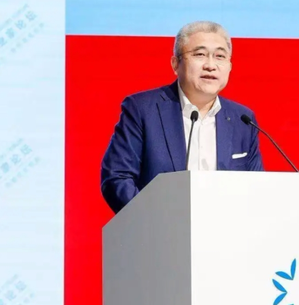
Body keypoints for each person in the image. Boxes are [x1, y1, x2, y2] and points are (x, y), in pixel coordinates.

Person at [100, 21, 264, 213]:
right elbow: (117, 178)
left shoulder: (243, 119)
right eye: (200, 54)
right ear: (175, 64)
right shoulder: (143, 109)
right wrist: (153, 220)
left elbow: (256, 188)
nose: (210, 65)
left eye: (220, 56)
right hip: (159, 228)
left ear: (229, 66)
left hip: (223, 228)